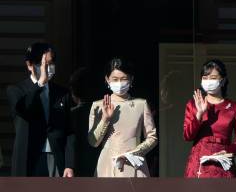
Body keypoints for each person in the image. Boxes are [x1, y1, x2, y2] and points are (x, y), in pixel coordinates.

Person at [6, 42, 74, 177]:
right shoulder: (16, 90)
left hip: (56, 156)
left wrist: (69, 164)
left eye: (50, 63)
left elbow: (70, 131)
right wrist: (39, 84)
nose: (47, 68)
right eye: (42, 64)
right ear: (30, 65)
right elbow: (24, 109)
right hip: (29, 156)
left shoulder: (63, 93)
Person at [88, 58, 158, 177]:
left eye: (124, 79)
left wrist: (133, 153)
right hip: (107, 166)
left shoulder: (140, 104)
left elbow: (152, 137)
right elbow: (93, 142)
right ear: (107, 79)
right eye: (115, 79)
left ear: (131, 79)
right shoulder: (98, 106)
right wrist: (105, 119)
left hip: (134, 164)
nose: (119, 83)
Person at [183, 59, 236, 178]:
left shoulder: (234, 107)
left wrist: (228, 151)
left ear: (222, 81)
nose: (208, 81)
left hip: (223, 162)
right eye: (205, 78)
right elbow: (188, 136)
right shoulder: (193, 104)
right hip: (199, 162)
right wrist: (199, 114)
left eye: (213, 78)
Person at [69, 67, 100, 177]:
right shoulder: (104, 114)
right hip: (99, 167)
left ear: (73, 92)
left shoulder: (69, 115)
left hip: (74, 168)